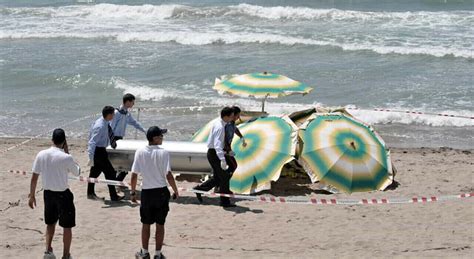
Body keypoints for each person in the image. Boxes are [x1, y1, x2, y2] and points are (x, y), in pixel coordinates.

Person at [28, 128, 80, 259]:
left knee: (50, 223)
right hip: (63, 194)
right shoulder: (66, 157)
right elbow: (77, 172)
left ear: (52, 140)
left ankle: (48, 250)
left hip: (48, 194)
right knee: (67, 226)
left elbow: (34, 177)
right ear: (64, 141)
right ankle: (66, 254)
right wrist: (67, 152)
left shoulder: (42, 154)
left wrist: (32, 195)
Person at [130, 126, 179, 259]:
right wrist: (175, 190)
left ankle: (145, 252)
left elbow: (134, 175)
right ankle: (157, 254)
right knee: (160, 224)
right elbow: (168, 175)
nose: (163, 138)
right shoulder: (164, 153)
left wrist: (133, 192)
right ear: (155, 138)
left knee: (145, 224)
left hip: (147, 192)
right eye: (161, 136)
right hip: (161, 192)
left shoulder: (140, 152)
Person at [193, 107, 236, 207]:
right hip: (214, 154)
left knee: (218, 177)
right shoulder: (220, 127)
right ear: (226, 116)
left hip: (213, 153)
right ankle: (225, 202)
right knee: (224, 177)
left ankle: (199, 189)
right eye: (232, 116)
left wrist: (227, 153)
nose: (233, 118)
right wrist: (222, 159)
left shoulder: (219, 122)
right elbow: (217, 145)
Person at [87, 106, 123, 201]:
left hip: (101, 150)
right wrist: (90, 157)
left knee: (95, 173)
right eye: (113, 114)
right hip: (98, 152)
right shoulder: (100, 126)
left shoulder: (105, 123)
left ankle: (90, 193)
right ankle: (113, 196)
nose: (114, 116)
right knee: (110, 173)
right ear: (109, 115)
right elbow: (92, 141)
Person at [110, 93, 146, 183]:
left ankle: (116, 182)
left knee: (123, 165)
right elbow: (110, 127)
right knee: (116, 162)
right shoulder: (116, 113)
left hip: (120, 139)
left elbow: (135, 123)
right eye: (132, 102)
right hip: (113, 139)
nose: (133, 104)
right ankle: (113, 183)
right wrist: (111, 141)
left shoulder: (127, 114)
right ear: (127, 102)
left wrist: (145, 131)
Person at [224, 106, 247, 174]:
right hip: (224, 149)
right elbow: (224, 138)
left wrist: (241, 137)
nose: (239, 117)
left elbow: (235, 129)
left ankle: (223, 180)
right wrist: (229, 150)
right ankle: (224, 180)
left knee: (233, 166)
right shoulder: (227, 124)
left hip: (227, 149)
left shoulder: (232, 123)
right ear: (233, 115)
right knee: (233, 166)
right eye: (238, 115)